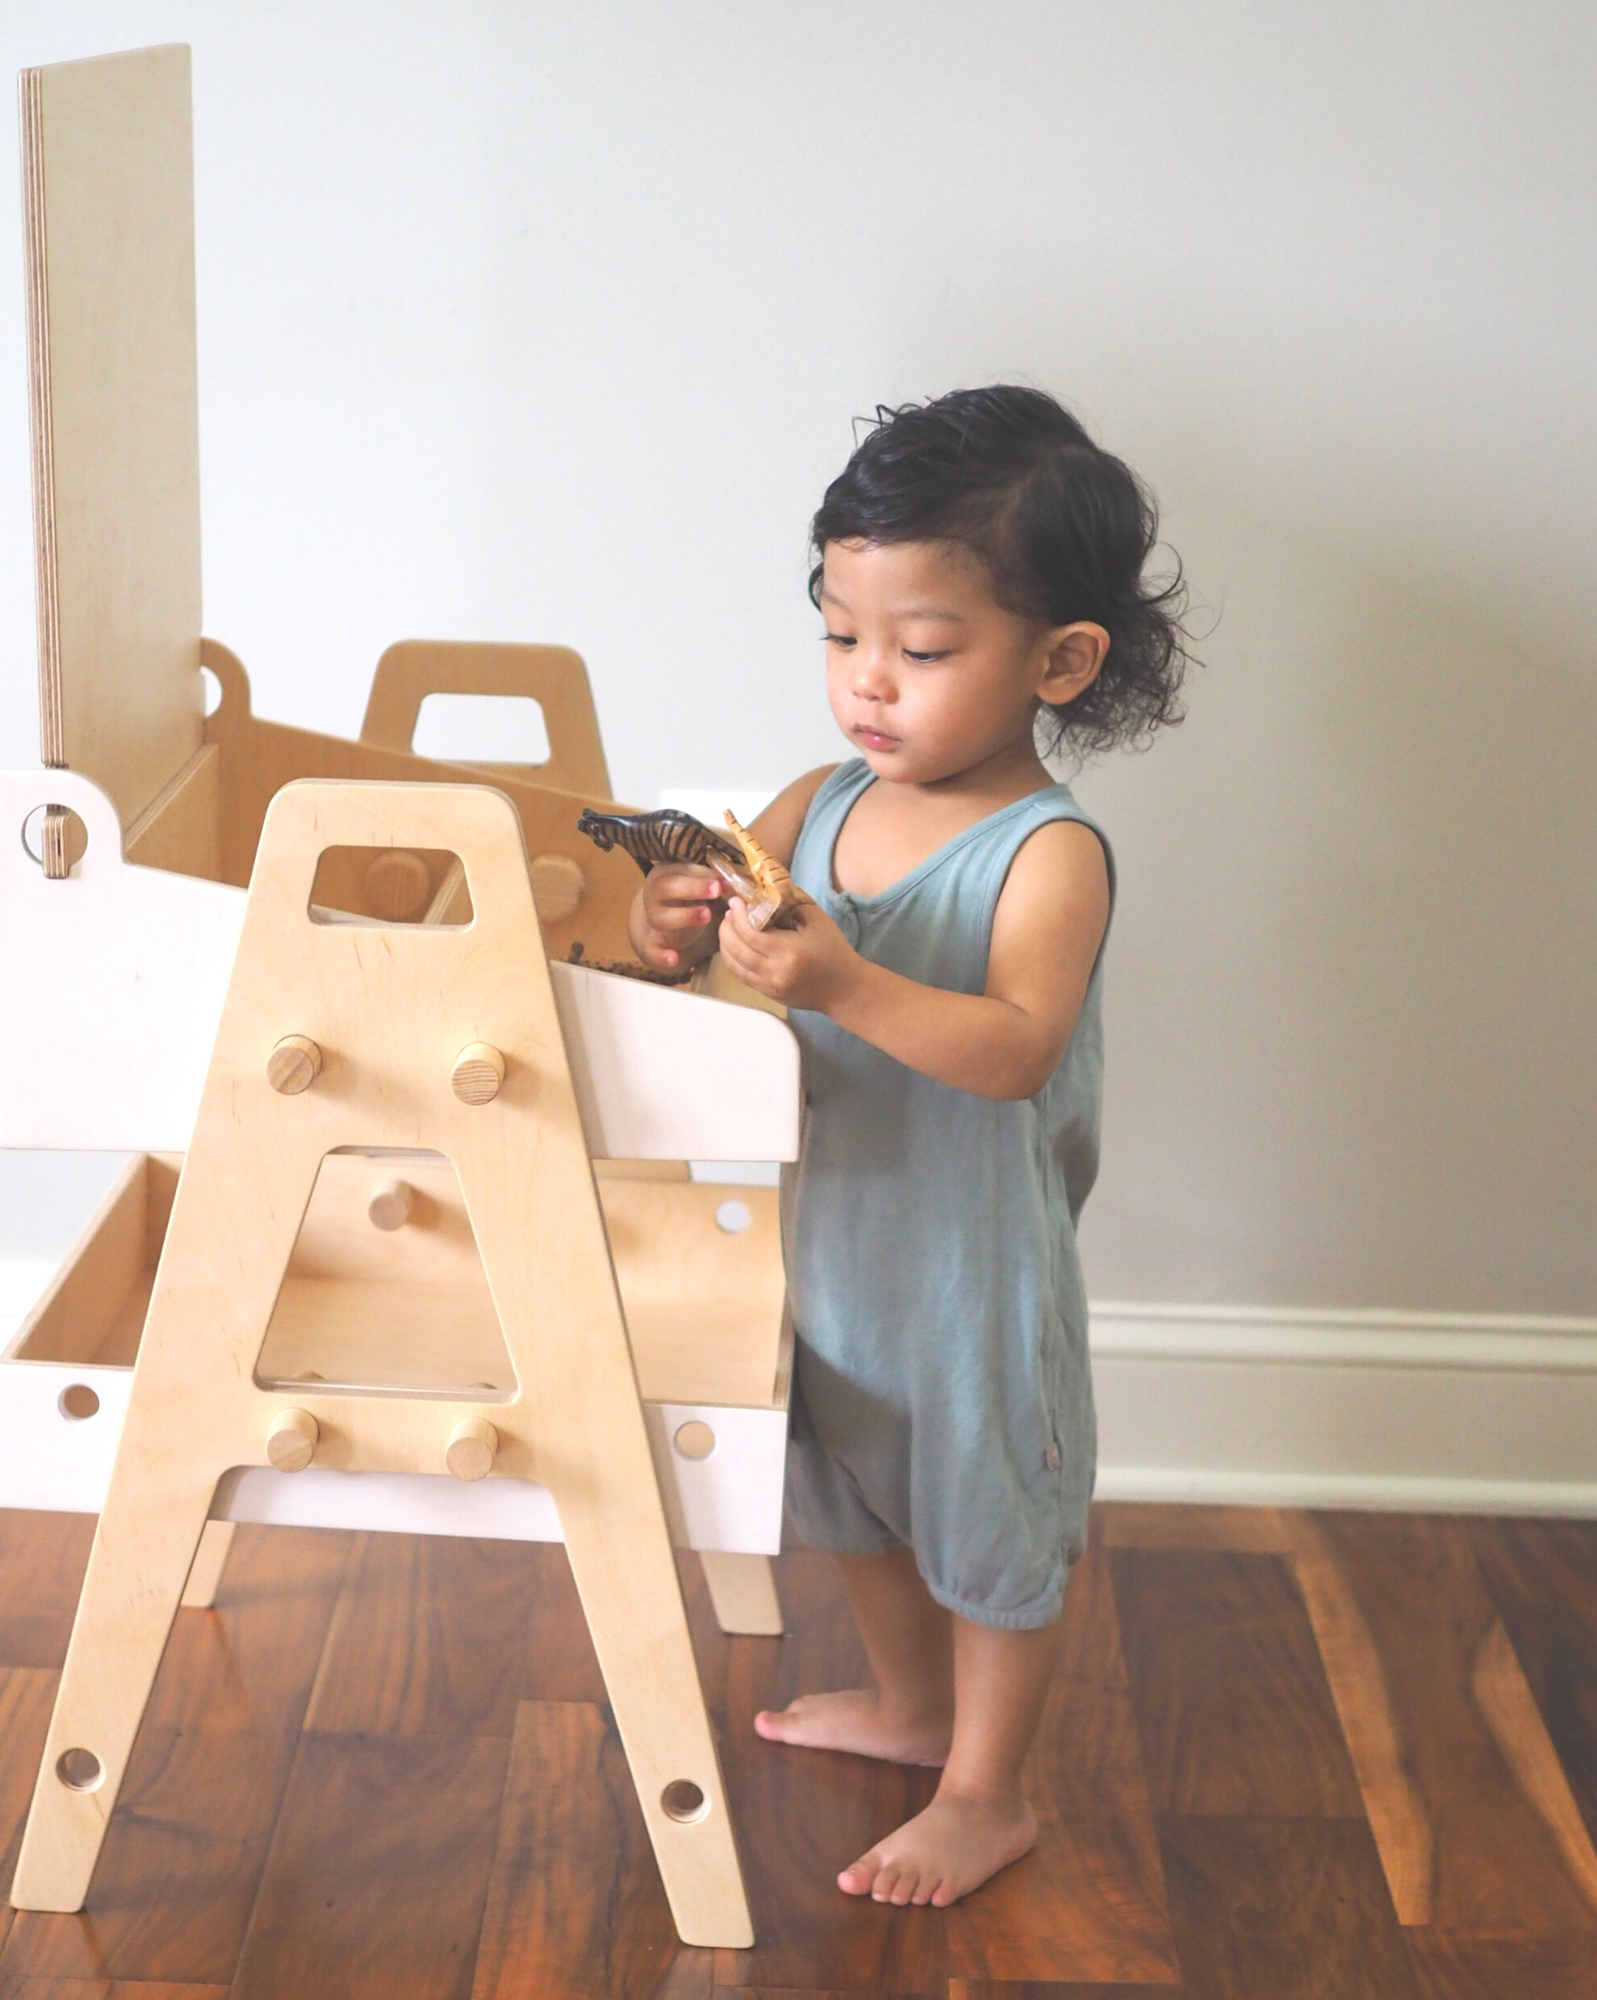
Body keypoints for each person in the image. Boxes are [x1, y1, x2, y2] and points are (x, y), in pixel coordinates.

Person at [628, 386, 1193, 1907]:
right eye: (840, 636)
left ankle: (987, 1791)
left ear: (1059, 662)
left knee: (985, 1513)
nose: (868, 682)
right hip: (822, 1244)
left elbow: (1015, 1051)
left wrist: (848, 983)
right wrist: (671, 923)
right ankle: (909, 1704)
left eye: (923, 651)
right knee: (850, 1492)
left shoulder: (1046, 853)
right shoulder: (812, 804)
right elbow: (718, 952)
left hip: (969, 1275)